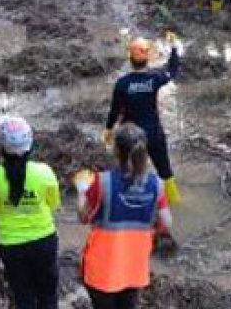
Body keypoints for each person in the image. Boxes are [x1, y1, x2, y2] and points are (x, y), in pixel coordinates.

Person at [74, 123, 173, 309]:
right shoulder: (157, 184)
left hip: (102, 270)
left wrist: (81, 190)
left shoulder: (102, 181)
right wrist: (152, 232)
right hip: (134, 268)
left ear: (116, 151)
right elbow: (167, 223)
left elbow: (83, 217)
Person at [0, 117, 61, 309]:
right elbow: (54, 204)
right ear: (30, 145)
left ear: (2, 147)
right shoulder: (44, 172)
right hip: (44, 241)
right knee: (48, 295)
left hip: (11, 245)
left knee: (22, 296)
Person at [105, 35, 182, 204]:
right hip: (154, 134)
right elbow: (173, 70)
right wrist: (174, 48)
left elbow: (114, 111)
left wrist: (109, 130)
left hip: (130, 137)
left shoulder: (122, 83)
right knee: (165, 171)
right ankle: (174, 203)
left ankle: (127, 202)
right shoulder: (155, 78)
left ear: (129, 58)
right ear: (148, 59)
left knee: (127, 171)